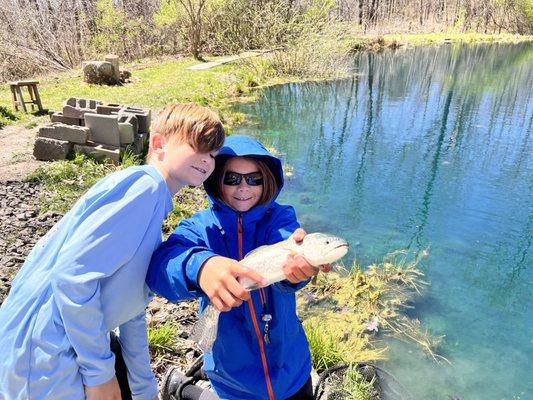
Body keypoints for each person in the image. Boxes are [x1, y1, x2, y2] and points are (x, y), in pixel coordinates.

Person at [0, 103, 225, 400]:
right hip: (43, 352)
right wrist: (100, 375)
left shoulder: (154, 203)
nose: (207, 160)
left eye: (213, 154)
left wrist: (144, 389)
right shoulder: (144, 187)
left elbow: (130, 307)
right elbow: (72, 276)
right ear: (159, 144)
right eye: (199, 146)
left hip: (59, 345)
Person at [147, 135, 329, 400]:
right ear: (216, 180)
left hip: (291, 371)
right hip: (233, 380)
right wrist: (201, 267)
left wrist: (296, 275)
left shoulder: (280, 217)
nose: (244, 187)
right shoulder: (199, 227)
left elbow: (289, 249)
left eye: (254, 178)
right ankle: (183, 388)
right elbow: (160, 267)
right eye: (232, 178)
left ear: (267, 180)